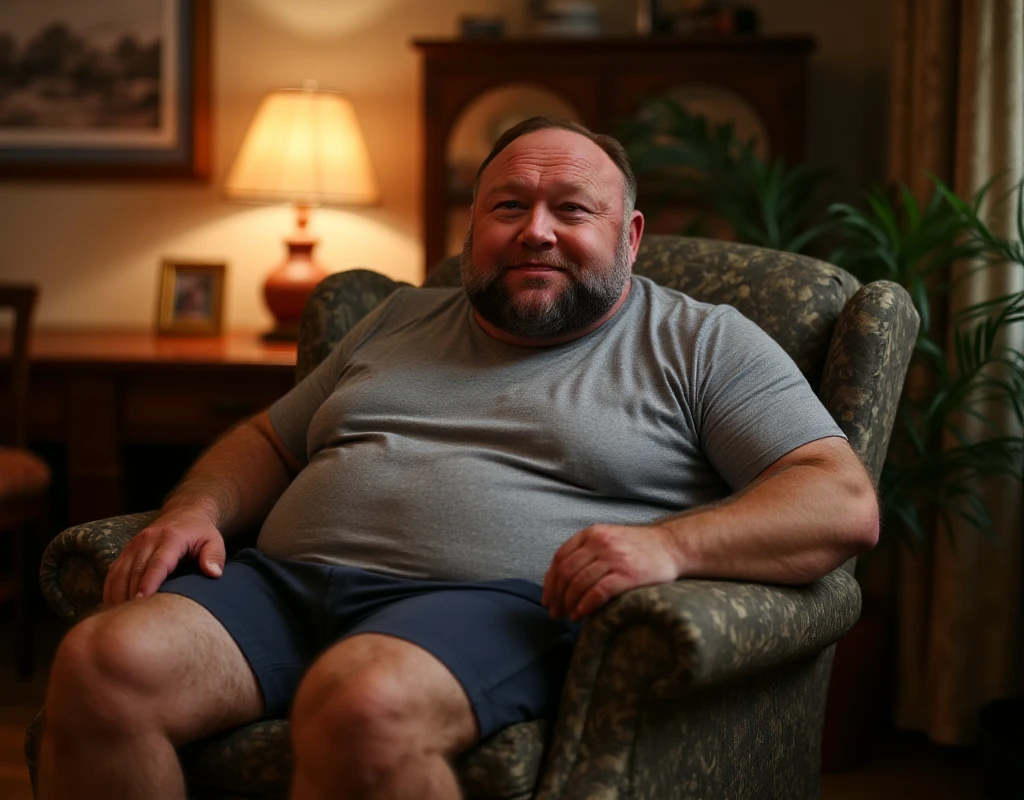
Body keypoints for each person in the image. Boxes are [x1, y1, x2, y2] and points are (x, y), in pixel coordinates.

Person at [37, 117, 879, 800]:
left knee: (362, 706)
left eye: (571, 211)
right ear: (473, 226)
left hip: (496, 605)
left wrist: (671, 546)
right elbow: (268, 438)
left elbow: (839, 501)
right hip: (285, 586)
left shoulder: (701, 343)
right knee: (102, 665)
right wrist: (196, 507)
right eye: (508, 206)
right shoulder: (399, 318)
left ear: (630, 235)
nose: (535, 232)